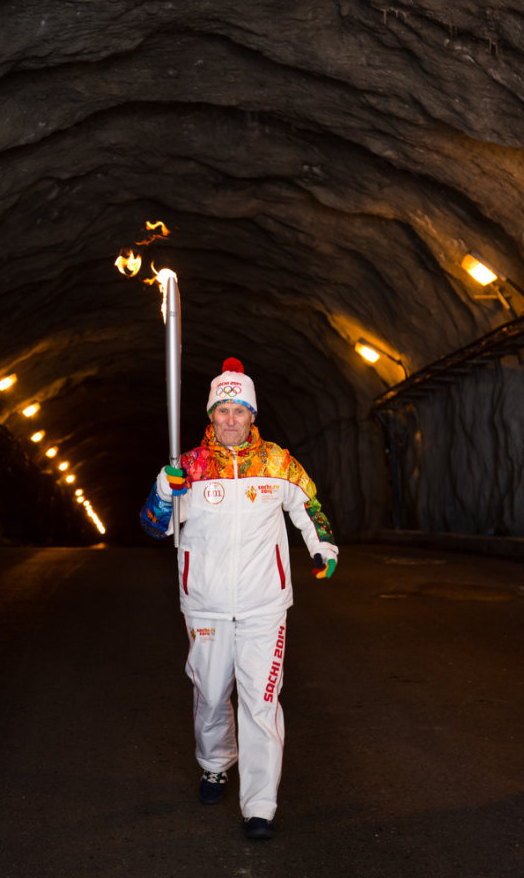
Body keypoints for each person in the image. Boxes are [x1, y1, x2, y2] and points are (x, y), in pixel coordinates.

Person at [140, 358, 338, 840]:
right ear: (211, 415)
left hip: (264, 605)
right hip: (204, 604)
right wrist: (165, 492)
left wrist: (322, 546)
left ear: (253, 415)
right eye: (222, 410)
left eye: (239, 410)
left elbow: (308, 504)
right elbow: (151, 525)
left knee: (261, 701)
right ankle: (213, 764)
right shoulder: (186, 466)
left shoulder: (278, 463)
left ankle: (260, 805)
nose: (231, 419)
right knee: (210, 696)